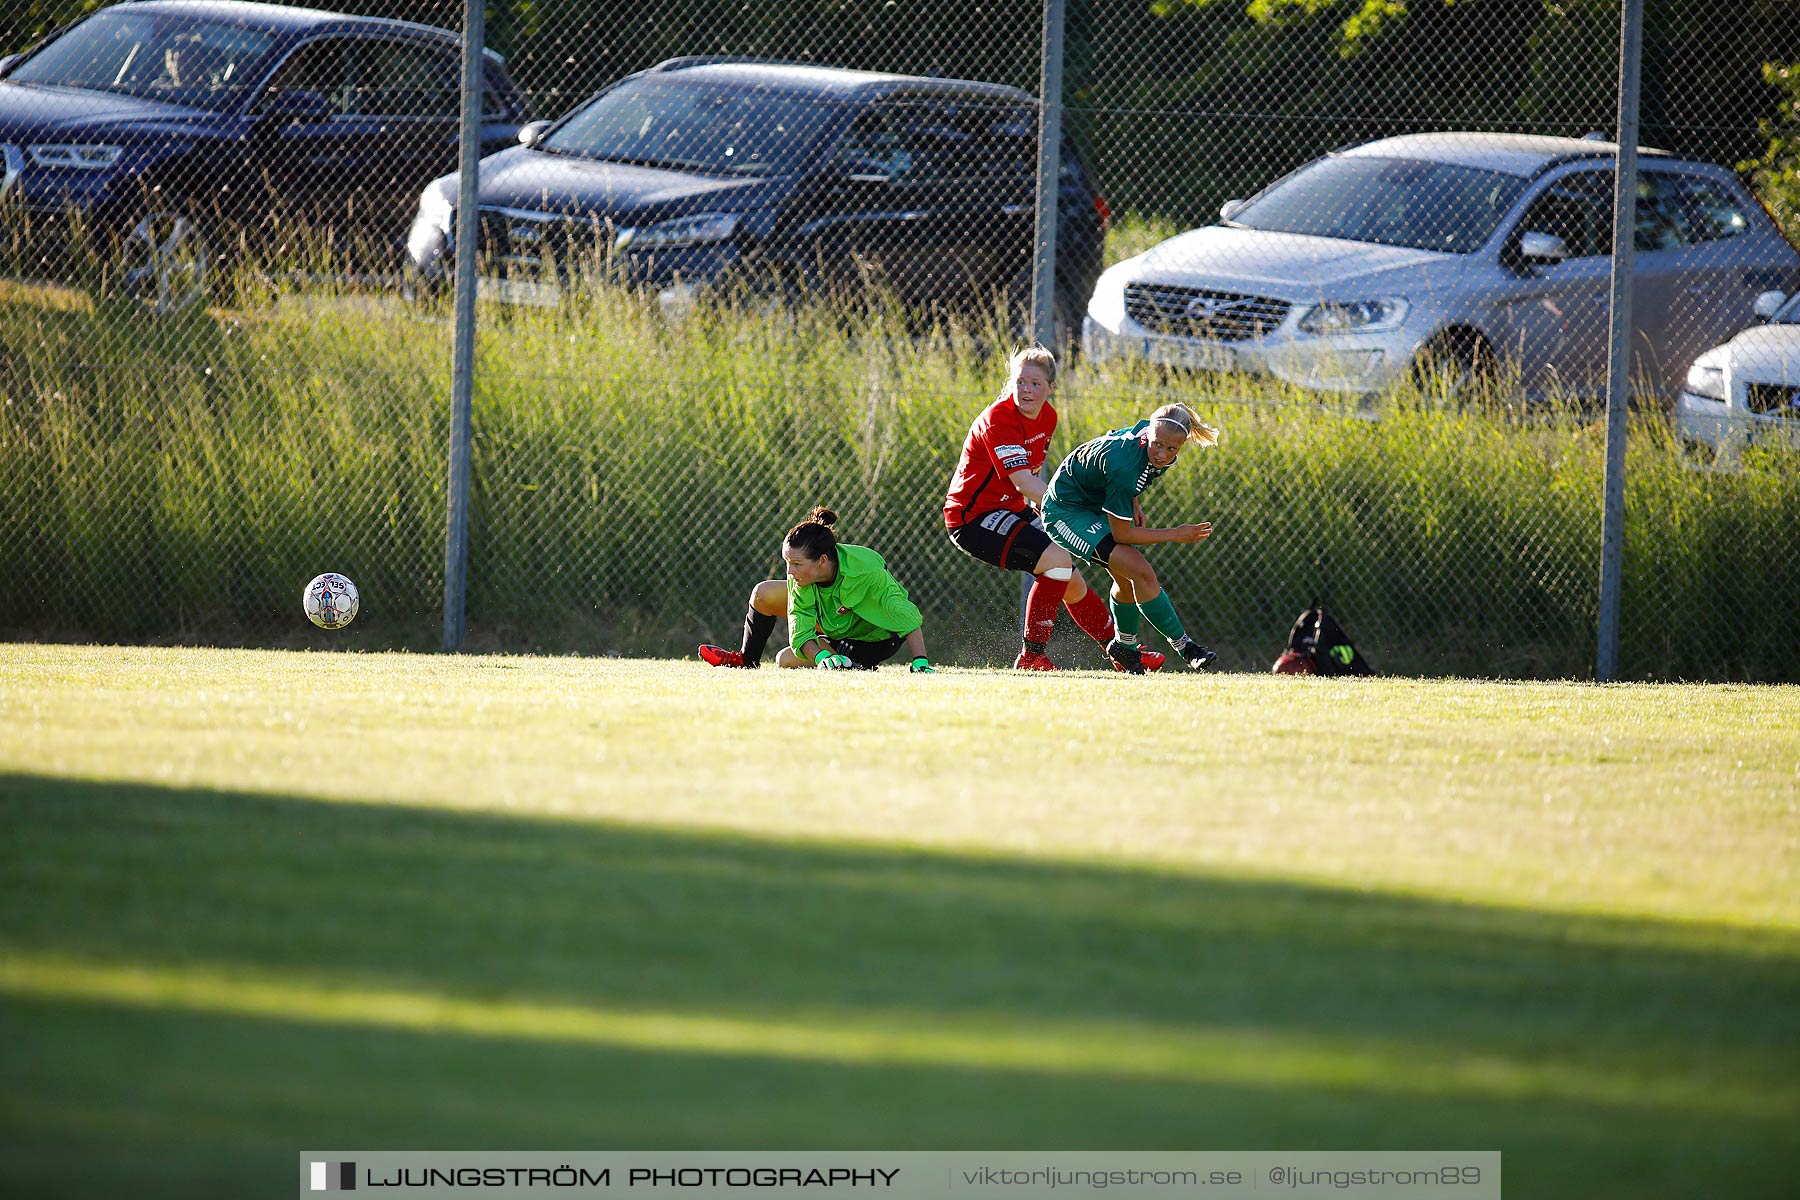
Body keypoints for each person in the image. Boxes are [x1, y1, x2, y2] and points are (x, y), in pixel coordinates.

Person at [941, 345, 1166, 672]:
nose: (1026, 389)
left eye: (1035, 383)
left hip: (1011, 509)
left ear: (1050, 388)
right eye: (1020, 381)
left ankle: (1122, 652)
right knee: (1058, 560)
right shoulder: (999, 419)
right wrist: (1065, 513)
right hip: (971, 518)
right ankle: (1031, 657)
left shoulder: (1048, 416)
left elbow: (1034, 478)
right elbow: (1024, 482)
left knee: (1068, 578)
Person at [1040, 403, 1221, 675]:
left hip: (1093, 505)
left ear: (1182, 444)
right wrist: (1175, 534)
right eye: (1157, 444)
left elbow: (1115, 452)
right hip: (1064, 512)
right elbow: (1122, 532)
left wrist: (1131, 501)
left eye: (1172, 449)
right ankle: (1186, 648)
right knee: (1139, 571)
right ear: (1147, 434)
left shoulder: (1151, 441)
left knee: (1128, 577)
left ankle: (1125, 646)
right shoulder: (1126, 466)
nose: (1162, 454)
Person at [699, 507, 935, 672]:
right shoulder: (803, 580)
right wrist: (821, 657)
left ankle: (857, 664)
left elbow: (905, 615)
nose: (789, 572)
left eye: (797, 564)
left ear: (822, 560)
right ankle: (746, 661)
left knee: (785, 659)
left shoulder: (865, 572)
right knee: (764, 594)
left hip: (871, 640)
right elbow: (800, 631)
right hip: (834, 623)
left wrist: (920, 661)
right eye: (787, 562)